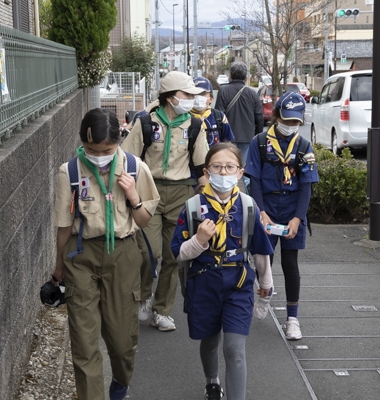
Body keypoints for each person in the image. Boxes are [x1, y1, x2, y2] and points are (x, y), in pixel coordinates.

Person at [52, 108, 160, 400]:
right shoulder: (70, 171)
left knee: (122, 341)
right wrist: (58, 265)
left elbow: (144, 221)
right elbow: (64, 225)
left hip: (123, 253)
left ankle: (121, 382)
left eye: (107, 150)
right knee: (84, 344)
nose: (99, 156)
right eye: (91, 150)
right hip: (81, 255)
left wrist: (134, 197)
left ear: (119, 140)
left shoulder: (135, 168)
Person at [171, 143, 274, 400]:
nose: (224, 172)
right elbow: (178, 252)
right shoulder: (193, 207)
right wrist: (200, 240)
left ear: (240, 173)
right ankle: (212, 382)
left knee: (235, 350)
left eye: (230, 167)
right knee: (209, 341)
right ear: (207, 171)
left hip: (238, 283)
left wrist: (266, 286)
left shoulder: (248, 206)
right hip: (203, 282)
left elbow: (261, 251)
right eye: (217, 167)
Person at [122, 71, 209, 332]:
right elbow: (127, 159)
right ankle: (145, 295)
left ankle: (162, 310)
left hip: (182, 193)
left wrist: (206, 200)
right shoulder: (146, 123)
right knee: (149, 252)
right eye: (186, 95)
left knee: (174, 254)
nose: (192, 99)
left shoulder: (195, 126)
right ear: (171, 98)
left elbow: (202, 167)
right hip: (148, 192)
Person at [244, 92, 318, 340]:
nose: (291, 126)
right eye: (287, 121)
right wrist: (261, 213)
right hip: (266, 205)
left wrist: (298, 218)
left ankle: (293, 319)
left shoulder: (304, 146)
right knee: (264, 259)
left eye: (296, 122)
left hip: (292, 207)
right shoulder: (260, 142)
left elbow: (307, 185)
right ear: (276, 116)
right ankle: (264, 293)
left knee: (290, 263)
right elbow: (253, 180)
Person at [215, 62, 264, 190]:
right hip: (248, 137)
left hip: (227, 138)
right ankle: (246, 199)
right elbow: (259, 117)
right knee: (245, 171)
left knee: (227, 169)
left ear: (230, 75)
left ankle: (228, 196)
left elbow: (218, 116)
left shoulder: (223, 91)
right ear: (245, 77)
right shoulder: (252, 93)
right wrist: (257, 137)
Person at [191, 77, 235, 147]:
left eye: (202, 94)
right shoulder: (184, 117)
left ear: (211, 98)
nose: (198, 97)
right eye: (194, 93)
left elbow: (228, 142)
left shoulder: (219, 116)